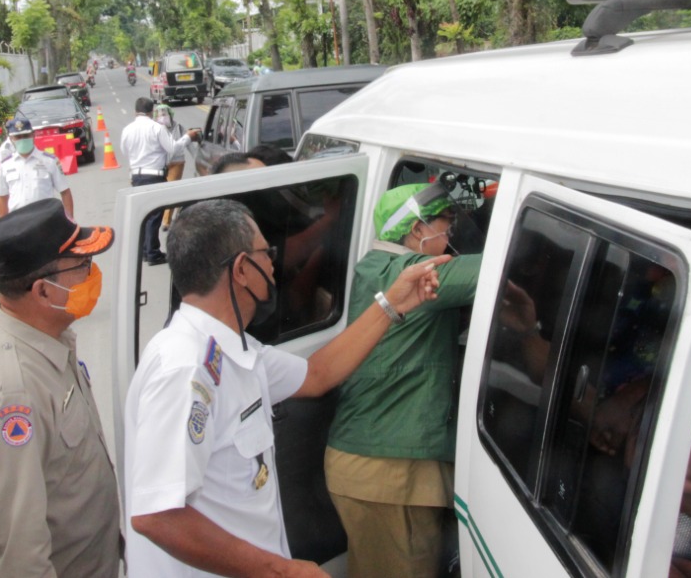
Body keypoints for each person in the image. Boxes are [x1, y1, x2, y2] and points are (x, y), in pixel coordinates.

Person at [124, 199, 447, 577]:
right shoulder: (185, 368)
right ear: (242, 269)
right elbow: (156, 516)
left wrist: (392, 302)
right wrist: (282, 571)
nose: (275, 265)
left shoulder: (232, 348)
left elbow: (316, 375)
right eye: (266, 252)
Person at [0, 199, 120, 578]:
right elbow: (19, 557)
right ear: (42, 292)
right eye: (83, 267)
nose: (93, 274)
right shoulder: (13, 392)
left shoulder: (46, 336)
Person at [325, 182, 483, 578]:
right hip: (387, 473)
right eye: (446, 227)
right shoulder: (406, 274)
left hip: (378, 469)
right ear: (417, 230)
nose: (450, 240)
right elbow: (495, 268)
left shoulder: (376, 267)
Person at [118, 97, 199, 265]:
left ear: (135, 111)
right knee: (155, 215)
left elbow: (124, 151)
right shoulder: (157, 128)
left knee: (143, 215)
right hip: (154, 175)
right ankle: (153, 253)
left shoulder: (127, 129)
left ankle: (145, 252)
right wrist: (188, 137)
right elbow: (173, 148)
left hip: (136, 176)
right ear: (151, 111)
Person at [0, 117, 73, 219]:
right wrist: (3, 226)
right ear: (11, 139)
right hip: (18, 221)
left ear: (33, 135)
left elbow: (65, 192)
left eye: (26, 135)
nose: (22, 139)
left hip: (45, 219)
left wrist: (70, 219)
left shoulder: (49, 161)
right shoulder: (6, 165)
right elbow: (2, 197)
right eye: (18, 137)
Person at [154, 103, 186, 230]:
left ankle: (166, 221)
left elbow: (187, 142)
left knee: (170, 188)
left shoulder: (179, 127)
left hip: (177, 162)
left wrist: (197, 157)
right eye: (160, 114)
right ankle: (177, 207)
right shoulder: (155, 129)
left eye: (165, 113)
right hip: (161, 164)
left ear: (170, 114)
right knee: (165, 190)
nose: (162, 116)